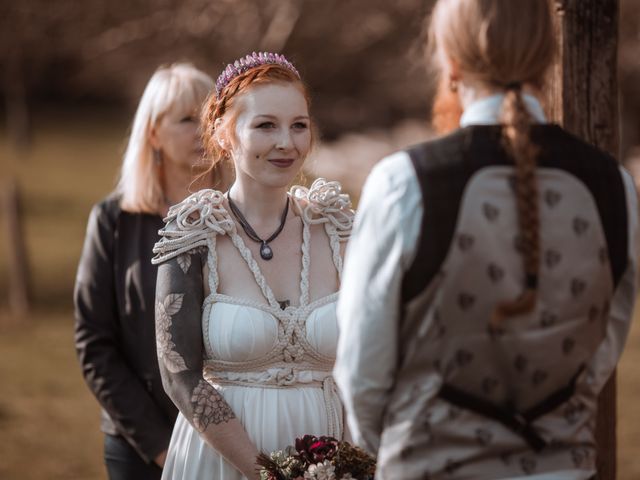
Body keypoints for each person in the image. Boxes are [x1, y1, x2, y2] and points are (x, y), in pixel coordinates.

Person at [334, 1, 639, 479]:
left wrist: (398, 448)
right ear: (546, 56)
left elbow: (361, 373)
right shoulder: (614, 186)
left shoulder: (405, 183)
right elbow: (602, 352)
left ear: (451, 65)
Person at [151, 52, 353, 480]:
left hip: (332, 458)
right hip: (223, 462)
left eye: (299, 125)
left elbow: (372, 361)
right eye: (266, 126)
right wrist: (265, 473)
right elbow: (180, 376)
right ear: (225, 135)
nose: (287, 142)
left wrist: (354, 462)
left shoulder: (338, 230)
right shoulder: (194, 234)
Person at [74, 63, 229, 480]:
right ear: (153, 133)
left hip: (236, 437)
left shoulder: (240, 216)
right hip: (141, 448)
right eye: (185, 119)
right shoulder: (113, 220)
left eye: (210, 116)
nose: (202, 129)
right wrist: (159, 446)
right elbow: (94, 342)